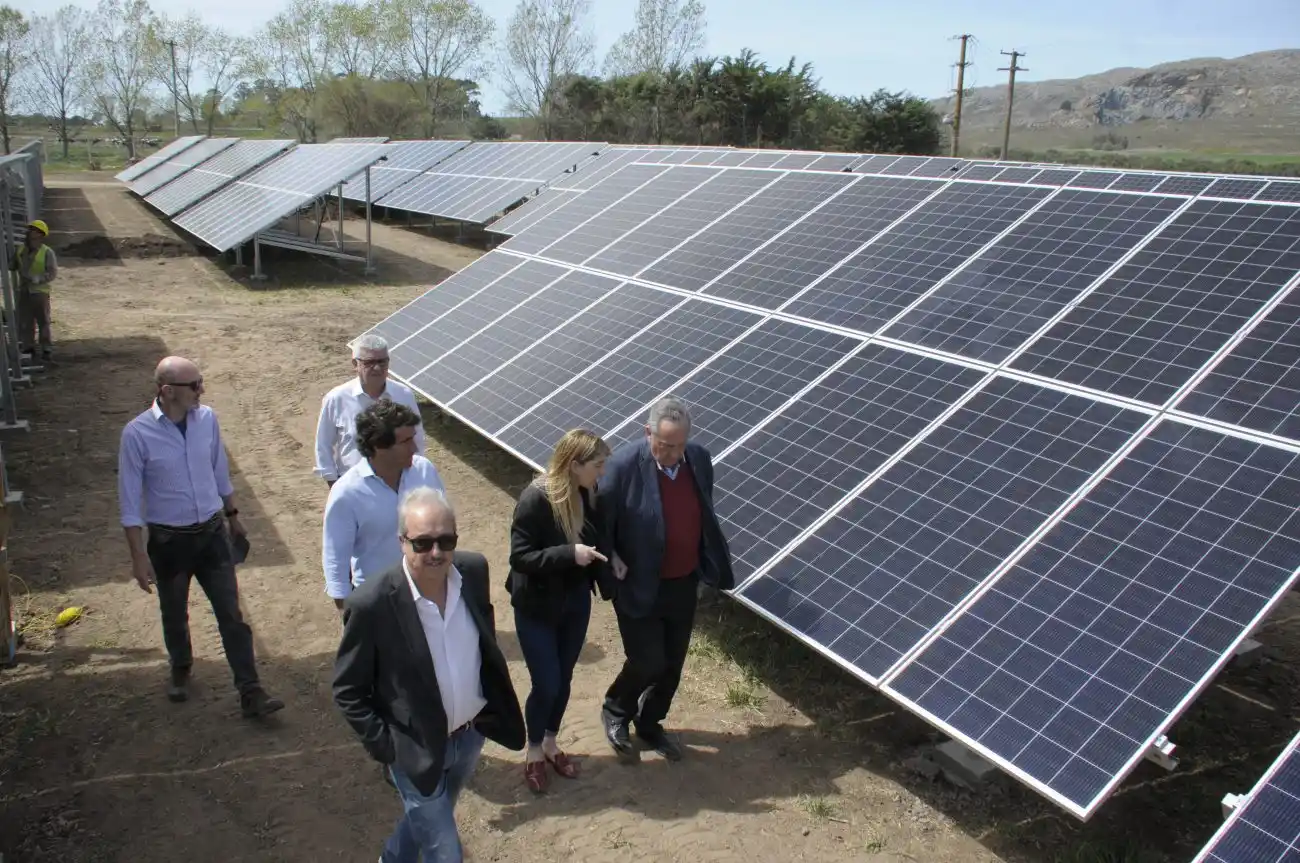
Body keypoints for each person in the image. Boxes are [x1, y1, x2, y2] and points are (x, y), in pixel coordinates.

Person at [333, 486, 525, 863]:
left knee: (428, 819)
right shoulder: (371, 604)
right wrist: (388, 748)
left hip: (469, 737)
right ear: (402, 542)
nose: (436, 553)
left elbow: (482, 644)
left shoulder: (472, 571)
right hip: (413, 748)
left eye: (445, 540)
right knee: (445, 851)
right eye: (423, 543)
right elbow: (347, 690)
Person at [117, 355, 284, 717]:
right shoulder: (137, 434)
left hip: (211, 534)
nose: (201, 390)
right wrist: (138, 555)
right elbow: (129, 502)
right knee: (174, 611)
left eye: (200, 382)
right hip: (168, 541)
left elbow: (218, 469)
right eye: (194, 385)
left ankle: (251, 690)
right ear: (167, 391)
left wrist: (233, 514)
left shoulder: (207, 420)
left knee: (231, 613)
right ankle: (181, 665)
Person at [597, 396, 734, 761]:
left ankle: (650, 722)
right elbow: (599, 522)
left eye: (679, 445)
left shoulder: (699, 460)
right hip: (639, 583)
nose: (672, 453)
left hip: (682, 582)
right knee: (647, 660)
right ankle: (616, 709)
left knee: (672, 664)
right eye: (664, 444)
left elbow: (703, 508)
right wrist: (610, 557)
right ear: (647, 433)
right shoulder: (622, 467)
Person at [506, 429, 612, 793]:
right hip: (537, 606)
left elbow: (599, 536)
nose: (602, 473)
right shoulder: (535, 499)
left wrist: (614, 563)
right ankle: (533, 751)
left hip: (574, 602)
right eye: (597, 466)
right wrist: (570, 554)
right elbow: (520, 557)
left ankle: (551, 742)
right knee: (547, 682)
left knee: (563, 678)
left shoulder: (587, 493)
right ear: (574, 464)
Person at [322, 400, 446, 609]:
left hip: (429, 590)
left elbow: (444, 527)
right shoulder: (347, 493)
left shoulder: (425, 471)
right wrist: (348, 611)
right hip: (379, 599)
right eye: (405, 441)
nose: (414, 447)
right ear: (378, 446)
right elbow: (335, 556)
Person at [315, 334, 425, 487]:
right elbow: (323, 445)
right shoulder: (336, 399)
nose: (378, 368)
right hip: (353, 485)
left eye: (382, 361)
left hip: (398, 483)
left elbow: (417, 439)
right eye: (369, 362)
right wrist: (334, 484)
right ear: (355, 364)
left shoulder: (403, 395)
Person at [11, 219, 57, 363]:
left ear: (41, 234)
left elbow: (52, 272)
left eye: (34, 230)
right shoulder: (20, 250)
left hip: (39, 292)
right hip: (24, 291)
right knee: (25, 321)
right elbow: (12, 265)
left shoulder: (47, 252)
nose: (30, 232)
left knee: (43, 321)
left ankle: (46, 349)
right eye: (30, 229)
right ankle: (28, 348)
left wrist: (39, 278)